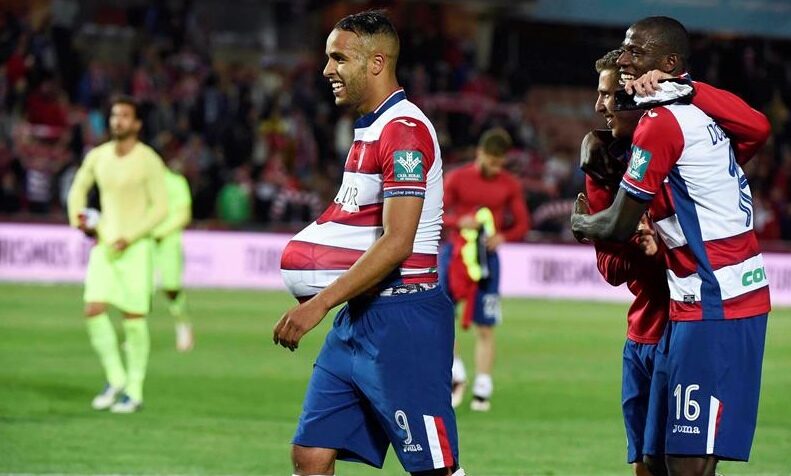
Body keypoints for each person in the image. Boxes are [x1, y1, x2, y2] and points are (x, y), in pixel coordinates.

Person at [571, 16, 772, 476]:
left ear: (667, 66)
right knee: (666, 460)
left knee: (685, 462)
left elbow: (615, 225)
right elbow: (613, 255)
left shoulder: (665, 123)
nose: (626, 61)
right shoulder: (675, 125)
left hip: (714, 301)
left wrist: (581, 223)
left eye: (635, 53)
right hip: (692, 305)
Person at [274, 11, 463, 476]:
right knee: (311, 454)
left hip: (403, 319)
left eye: (339, 58)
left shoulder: (404, 131)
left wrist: (319, 303)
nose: (327, 70)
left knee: (434, 468)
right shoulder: (371, 129)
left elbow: (398, 242)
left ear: (376, 63)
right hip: (360, 316)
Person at [584, 49, 669, 476]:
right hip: (642, 331)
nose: (600, 106)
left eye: (609, 95)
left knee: (687, 463)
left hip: (690, 327)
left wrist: (656, 243)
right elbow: (610, 269)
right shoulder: (603, 164)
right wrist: (633, 236)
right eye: (600, 94)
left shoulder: (685, 150)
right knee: (646, 464)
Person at [67, 96, 168, 413]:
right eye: (114, 115)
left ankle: (134, 391)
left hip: (136, 248)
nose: (117, 120)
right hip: (105, 244)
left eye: (124, 116)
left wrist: (132, 235)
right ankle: (115, 378)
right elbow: (77, 189)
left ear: (136, 124)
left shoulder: (148, 159)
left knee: (133, 318)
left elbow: (161, 207)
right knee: (93, 309)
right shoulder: (98, 156)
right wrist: (79, 220)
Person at [438, 127, 529, 412]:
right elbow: (437, 213)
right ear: (480, 153)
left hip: (487, 259)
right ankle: (456, 371)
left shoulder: (509, 184)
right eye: (492, 161)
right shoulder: (457, 178)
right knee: (443, 316)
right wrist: (458, 222)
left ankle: (482, 387)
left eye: (500, 163)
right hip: (456, 256)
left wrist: (503, 236)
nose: (496, 168)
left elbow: (522, 223)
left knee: (486, 324)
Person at [152, 158, 193, 352]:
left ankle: (182, 324)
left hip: (168, 243)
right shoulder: (143, 183)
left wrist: (161, 232)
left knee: (171, 288)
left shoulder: (176, 182)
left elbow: (184, 215)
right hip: (143, 242)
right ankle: (135, 334)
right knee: (139, 290)